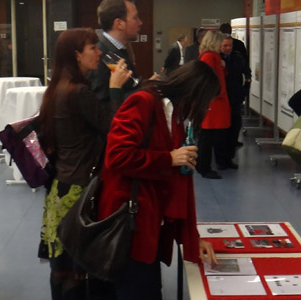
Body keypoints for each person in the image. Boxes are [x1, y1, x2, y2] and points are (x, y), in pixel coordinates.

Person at [97, 60, 220, 299]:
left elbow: (179, 184)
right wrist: (168, 159)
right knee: (139, 289)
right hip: (128, 223)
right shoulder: (143, 102)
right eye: (205, 103)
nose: (204, 110)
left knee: (148, 288)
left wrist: (192, 238)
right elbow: (116, 156)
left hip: (148, 221)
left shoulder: (173, 113)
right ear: (193, 93)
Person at [37, 27, 131, 300]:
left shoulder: (56, 89)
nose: (99, 52)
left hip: (61, 189)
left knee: (62, 268)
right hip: (79, 190)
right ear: (76, 55)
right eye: (93, 48)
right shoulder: (78, 92)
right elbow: (113, 129)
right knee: (77, 271)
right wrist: (115, 90)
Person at [89, 0, 142, 105]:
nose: (140, 22)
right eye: (135, 18)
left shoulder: (119, 50)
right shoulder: (101, 55)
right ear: (119, 24)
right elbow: (101, 105)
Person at [196, 30, 231, 179]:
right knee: (207, 136)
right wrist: (217, 93)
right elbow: (208, 78)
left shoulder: (212, 56)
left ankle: (206, 165)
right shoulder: (209, 57)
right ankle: (204, 167)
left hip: (215, 101)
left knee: (209, 136)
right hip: (213, 102)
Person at [221, 36, 250, 169]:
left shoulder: (238, 58)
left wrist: (243, 93)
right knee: (221, 131)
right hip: (221, 100)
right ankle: (221, 159)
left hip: (235, 99)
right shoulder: (216, 59)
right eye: (225, 46)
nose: (227, 48)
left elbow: (247, 76)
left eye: (229, 46)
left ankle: (229, 158)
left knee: (234, 127)